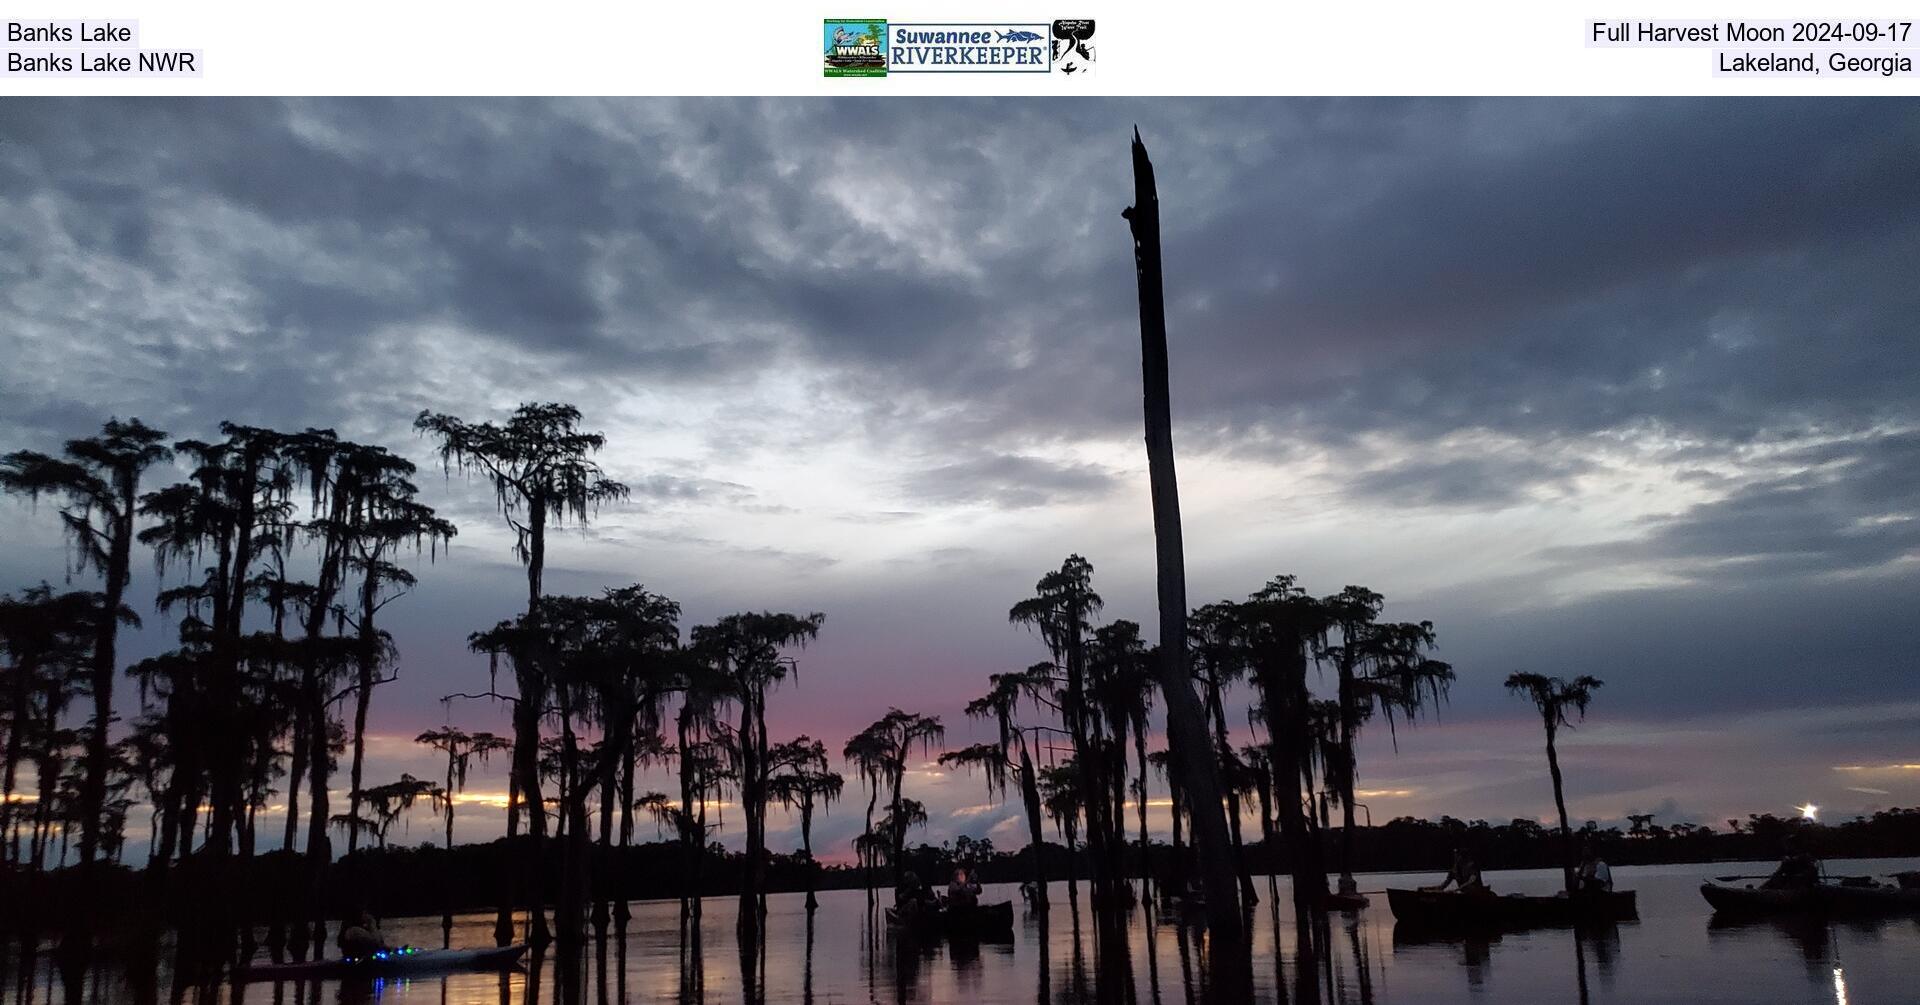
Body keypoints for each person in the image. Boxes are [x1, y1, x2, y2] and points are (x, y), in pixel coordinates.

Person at [1424, 848, 1489, 895]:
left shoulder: (1472, 866)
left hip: (1477, 894)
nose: (1456, 858)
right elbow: (1443, 886)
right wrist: (1428, 890)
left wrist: (1456, 890)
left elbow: (1471, 880)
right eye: (1455, 856)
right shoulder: (1454, 871)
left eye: (1457, 855)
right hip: (1464, 893)